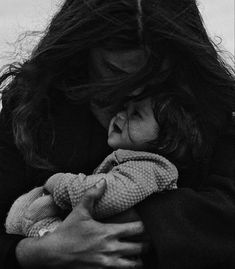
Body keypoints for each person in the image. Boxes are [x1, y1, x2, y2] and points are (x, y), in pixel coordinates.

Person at [0, 0, 234, 268]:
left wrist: (127, 221)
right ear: (84, 49)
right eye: (114, 71)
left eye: (153, 77)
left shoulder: (202, 104)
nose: (133, 92)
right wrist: (35, 252)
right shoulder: (34, 107)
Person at [7, 91, 204, 238]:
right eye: (124, 107)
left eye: (136, 114)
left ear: (165, 140)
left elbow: (105, 198)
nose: (120, 115)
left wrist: (56, 181)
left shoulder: (152, 167)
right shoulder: (128, 162)